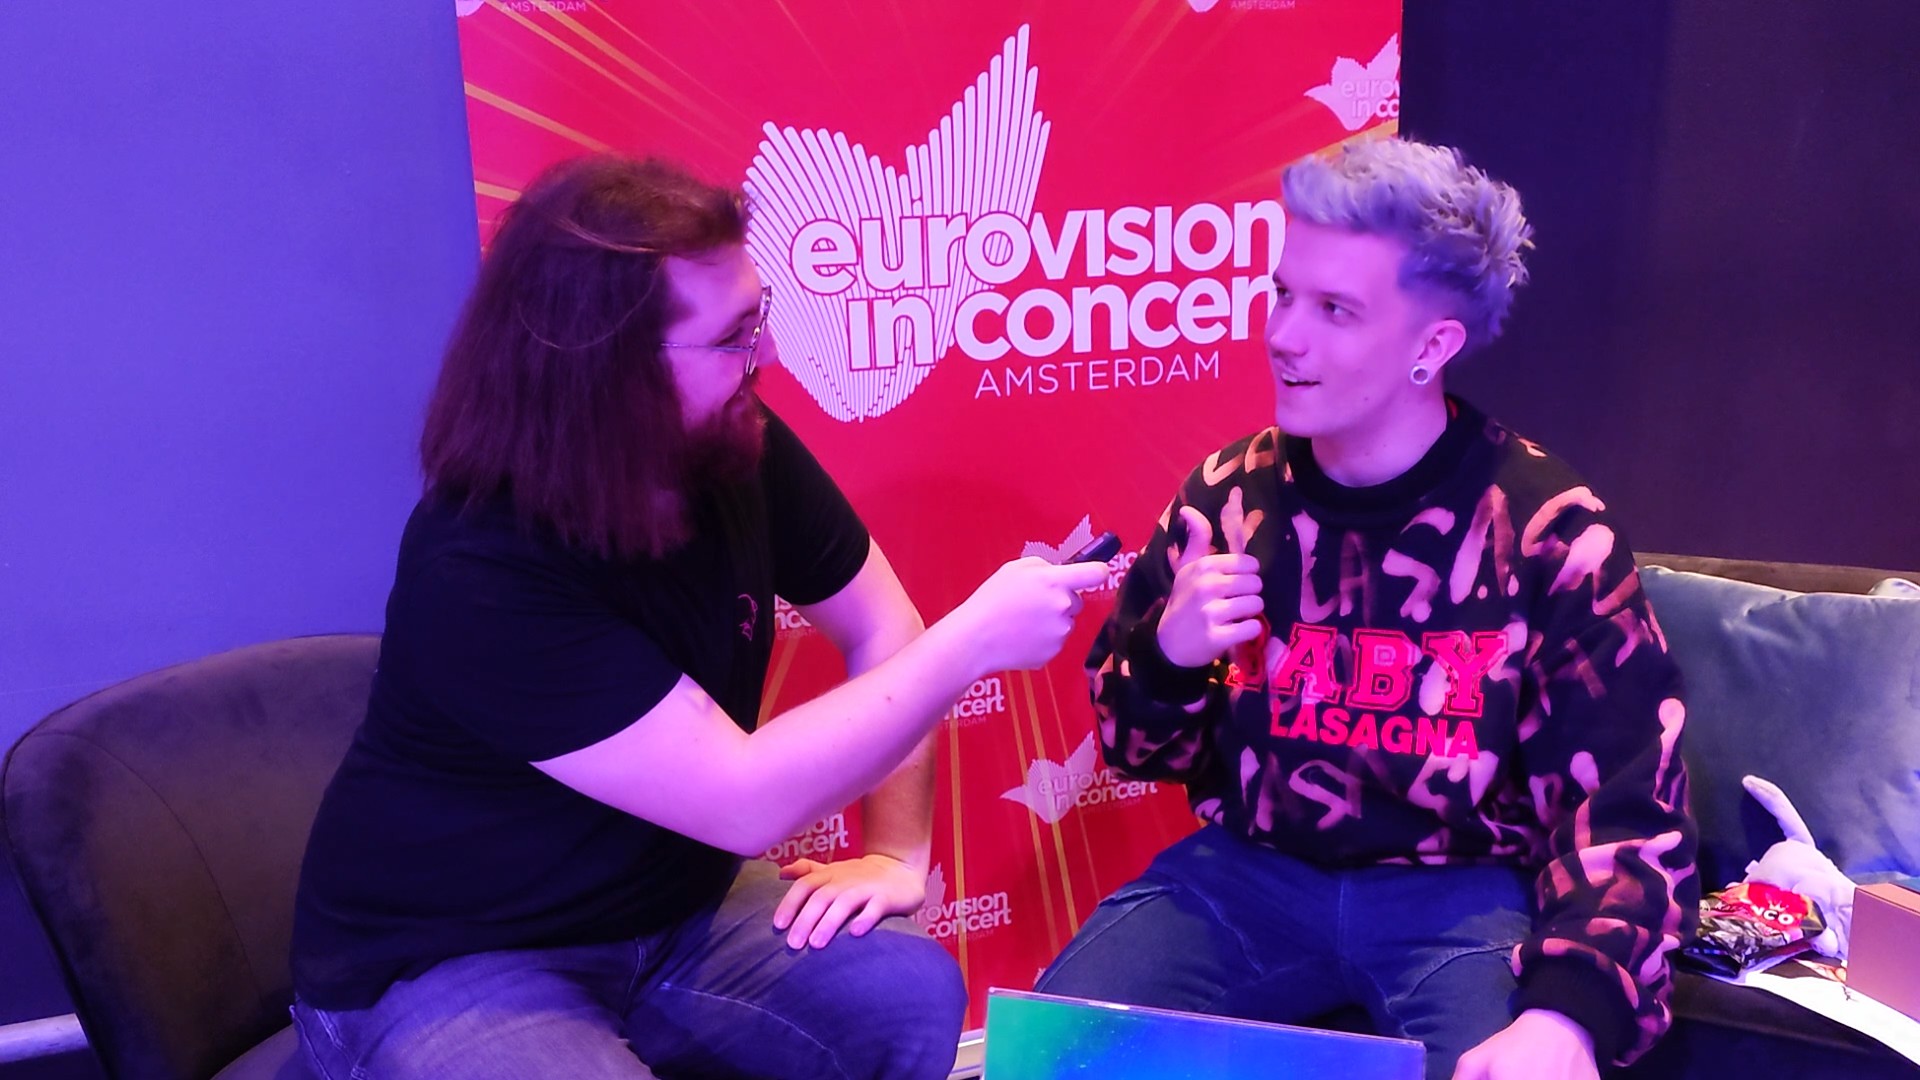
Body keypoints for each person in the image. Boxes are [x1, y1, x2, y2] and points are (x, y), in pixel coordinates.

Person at [289, 154, 1109, 1080]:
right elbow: (744, 799)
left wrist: (897, 853)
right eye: (731, 340)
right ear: (606, 372)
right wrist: (973, 643)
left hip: (668, 921)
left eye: (755, 323)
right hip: (450, 959)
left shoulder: (736, 451)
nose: (764, 361)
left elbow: (883, 629)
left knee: (902, 992)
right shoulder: (481, 562)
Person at [1036, 138, 1698, 1080]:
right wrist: (1168, 654)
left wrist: (1571, 1017)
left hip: (1461, 898)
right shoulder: (1228, 497)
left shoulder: (1550, 530)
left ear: (1433, 346)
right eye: (1283, 294)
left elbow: (1630, 810)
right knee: (1055, 1052)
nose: (1284, 336)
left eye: (1335, 310)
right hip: (1248, 878)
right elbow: (1138, 748)